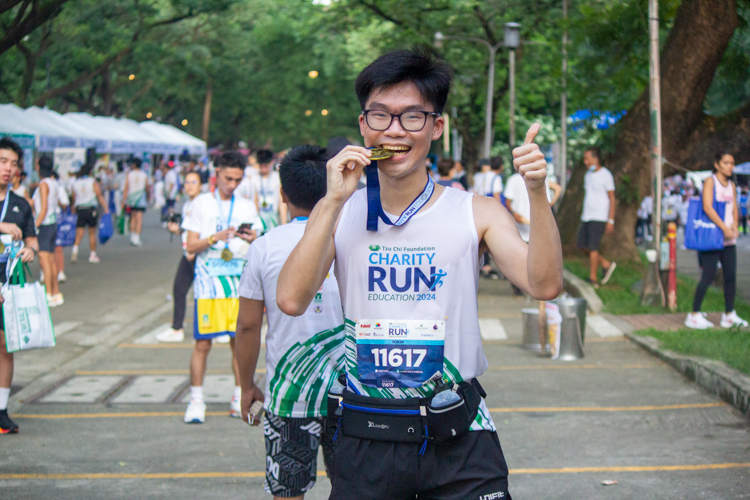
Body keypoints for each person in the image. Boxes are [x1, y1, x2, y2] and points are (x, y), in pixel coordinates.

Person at [276, 48, 562, 499]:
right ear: (362, 125)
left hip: (459, 435)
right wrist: (331, 202)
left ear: (437, 127)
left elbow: (544, 284)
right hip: (365, 434)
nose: (394, 130)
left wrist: (536, 193)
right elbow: (291, 299)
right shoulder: (337, 213)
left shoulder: (477, 212)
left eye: (412, 117)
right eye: (380, 116)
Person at [236, 145, 343, 500]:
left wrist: (246, 384)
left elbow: (248, 327)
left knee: (288, 492)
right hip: (353, 393)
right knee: (358, 488)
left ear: (282, 194)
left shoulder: (265, 247)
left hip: (290, 394)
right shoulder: (352, 238)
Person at [181, 151, 259, 423]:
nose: (232, 184)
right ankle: (196, 401)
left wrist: (252, 237)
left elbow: (257, 242)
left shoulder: (247, 206)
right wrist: (215, 237)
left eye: (237, 180)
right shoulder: (201, 203)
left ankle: (239, 397)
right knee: (202, 344)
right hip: (208, 284)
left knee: (239, 343)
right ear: (216, 173)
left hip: (238, 284)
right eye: (228, 178)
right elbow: (190, 246)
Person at [0, 137, 39, 434]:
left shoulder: (21, 204)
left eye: (13, 164)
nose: (8, 169)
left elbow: (32, 241)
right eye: (2, 161)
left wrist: (31, 251)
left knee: (5, 347)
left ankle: (1, 410)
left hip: (8, 283)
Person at [685, 152, 748, 329]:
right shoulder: (710, 182)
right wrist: (724, 228)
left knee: (730, 277)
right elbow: (707, 207)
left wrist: (734, 226)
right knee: (708, 276)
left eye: (732, 163)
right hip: (713, 237)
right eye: (726, 163)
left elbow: (734, 208)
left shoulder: (732, 185)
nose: (730, 166)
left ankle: (729, 314)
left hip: (729, 240)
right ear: (717, 164)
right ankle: (694, 314)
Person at [156, 172, 203, 343]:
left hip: (200, 255)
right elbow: (189, 230)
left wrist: (194, 249)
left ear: (200, 185)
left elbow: (205, 230)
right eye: (187, 182)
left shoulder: (202, 205)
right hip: (188, 254)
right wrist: (177, 231)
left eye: (194, 182)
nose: (189, 185)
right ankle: (177, 329)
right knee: (179, 289)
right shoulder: (187, 205)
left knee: (205, 293)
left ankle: (218, 329)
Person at [504, 170, 553, 295]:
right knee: (518, 257)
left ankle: (530, 285)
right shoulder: (514, 179)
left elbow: (546, 202)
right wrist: (515, 214)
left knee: (533, 258)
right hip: (519, 226)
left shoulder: (541, 180)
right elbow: (508, 202)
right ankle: (517, 286)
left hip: (535, 226)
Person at [577, 147, 617, 286]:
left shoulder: (606, 175)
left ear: (596, 158)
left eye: (587, 158)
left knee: (593, 247)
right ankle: (605, 264)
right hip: (586, 215)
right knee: (582, 245)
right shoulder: (588, 174)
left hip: (599, 216)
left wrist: (610, 220)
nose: (585, 161)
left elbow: (612, 198)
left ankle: (592, 279)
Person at [32, 156, 62, 307]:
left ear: (39, 167)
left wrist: (34, 226)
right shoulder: (53, 182)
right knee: (50, 259)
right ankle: (55, 293)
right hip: (52, 223)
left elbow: (43, 208)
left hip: (44, 224)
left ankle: (49, 293)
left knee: (44, 259)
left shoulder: (44, 184)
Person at [70, 162, 108, 264]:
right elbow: (99, 195)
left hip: (80, 209)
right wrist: (106, 208)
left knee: (79, 233)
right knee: (91, 233)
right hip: (90, 209)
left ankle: (75, 250)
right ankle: (92, 254)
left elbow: (74, 198)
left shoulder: (76, 183)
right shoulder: (92, 181)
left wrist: (73, 209)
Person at [253, 149, 286, 231]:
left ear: (271, 162)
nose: (263, 169)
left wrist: (284, 224)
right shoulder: (253, 178)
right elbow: (254, 200)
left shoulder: (277, 178)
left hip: (273, 217)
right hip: (259, 218)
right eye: (261, 166)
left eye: (266, 166)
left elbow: (281, 202)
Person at [122, 157, 149, 246]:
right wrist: (148, 196)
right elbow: (147, 187)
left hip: (131, 198)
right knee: (139, 218)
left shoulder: (129, 174)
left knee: (133, 217)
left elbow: (126, 187)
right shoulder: (144, 174)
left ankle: (132, 236)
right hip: (141, 198)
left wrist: (124, 199)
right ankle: (137, 237)